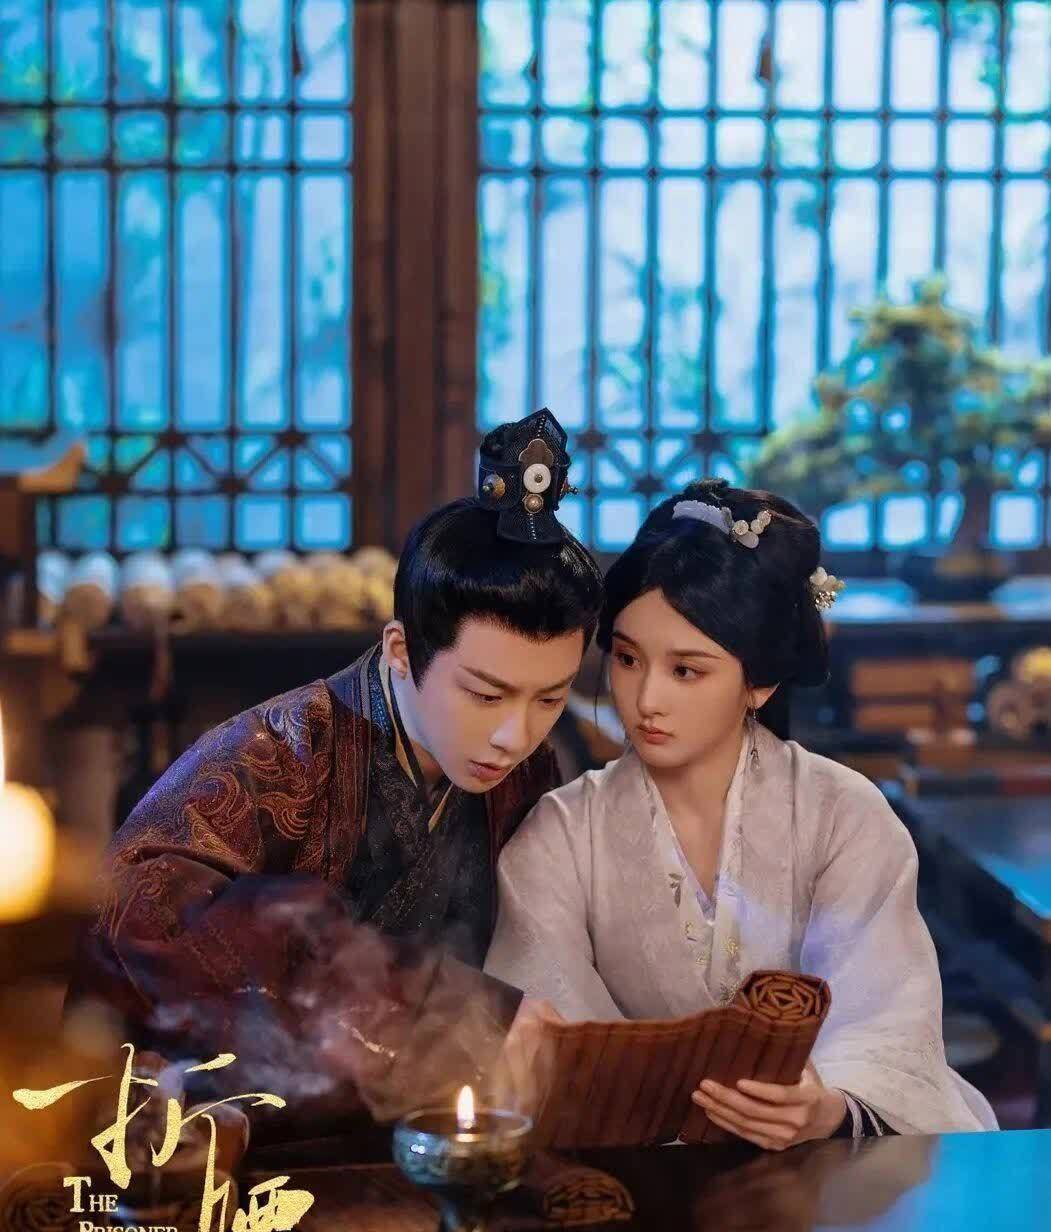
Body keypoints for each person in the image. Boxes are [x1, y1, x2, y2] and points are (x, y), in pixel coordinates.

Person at [65, 409, 603, 1137]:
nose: (515, 735)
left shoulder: (527, 771)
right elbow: (144, 919)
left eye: (549, 698)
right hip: (208, 1133)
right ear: (401, 651)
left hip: (419, 1129)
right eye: (485, 694)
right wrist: (444, 1015)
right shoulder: (273, 758)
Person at [485, 480, 997, 1145]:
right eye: (628, 659)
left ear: (759, 682)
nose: (645, 699)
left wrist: (826, 1106)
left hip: (817, 1158)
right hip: (633, 1159)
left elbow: (882, 1023)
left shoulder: (842, 816)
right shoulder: (560, 833)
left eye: (686, 671)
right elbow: (546, 1029)